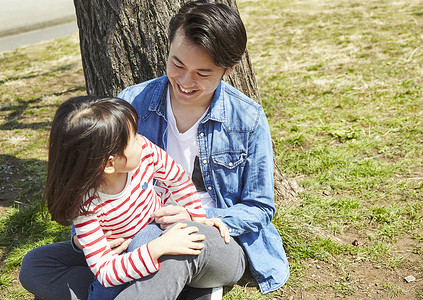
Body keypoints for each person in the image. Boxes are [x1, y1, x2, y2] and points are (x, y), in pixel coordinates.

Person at [19, 1, 289, 299]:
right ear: (168, 49)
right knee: (37, 264)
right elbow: (94, 178)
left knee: (151, 242)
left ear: (229, 69)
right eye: (177, 64)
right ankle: (176, 290)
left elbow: (260, 207)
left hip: (209, 237)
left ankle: (144, 285)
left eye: (203, 73)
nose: (186, 82)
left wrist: (199, 215)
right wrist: (90, 240)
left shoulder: (247, 118)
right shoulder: (133, 102)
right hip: (134, 229)